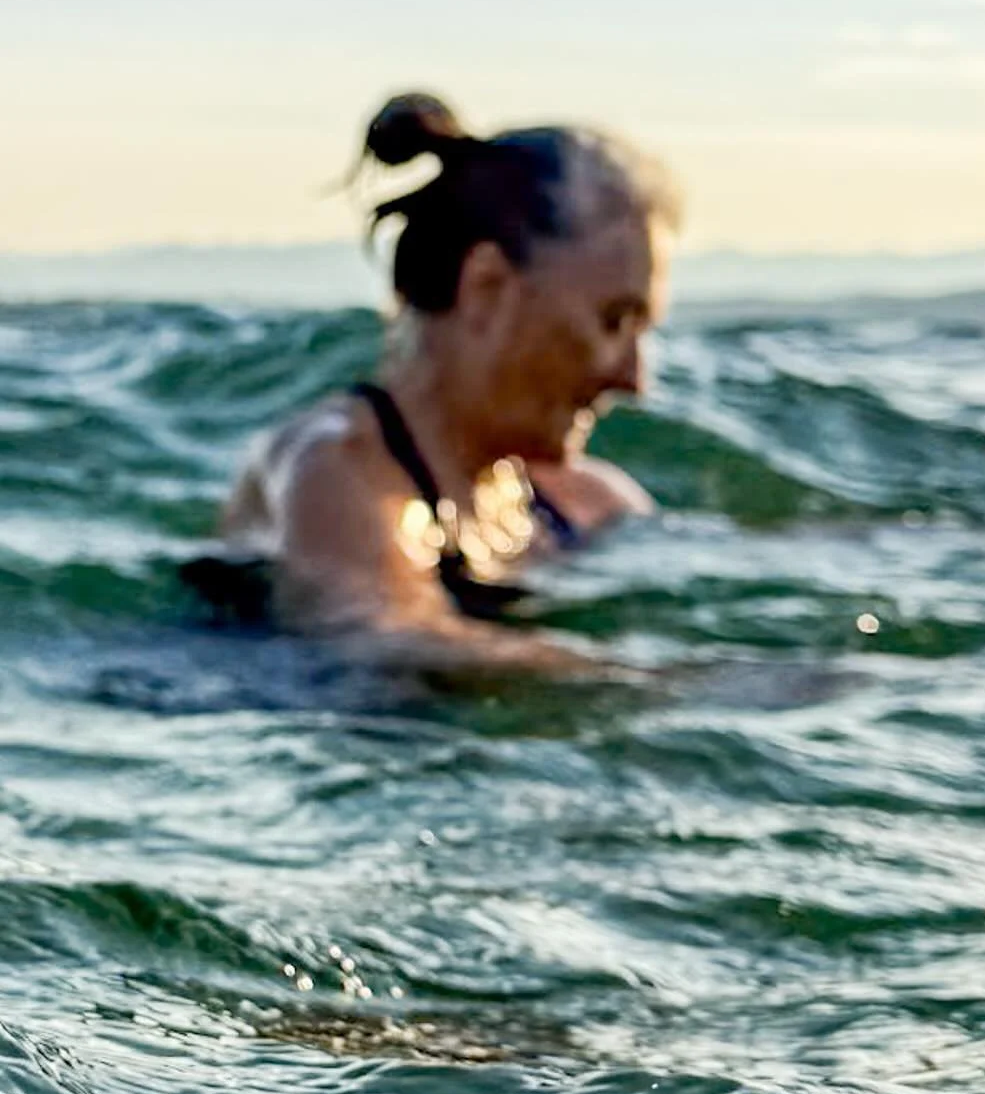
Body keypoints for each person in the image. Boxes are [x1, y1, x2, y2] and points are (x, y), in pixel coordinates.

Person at [192, 92, 679, 679]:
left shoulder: (583, 501)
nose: (634, 380)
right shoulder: (331, 469)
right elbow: (382, 638)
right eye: (613, 322)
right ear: (488, 288)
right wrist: (685, 686)